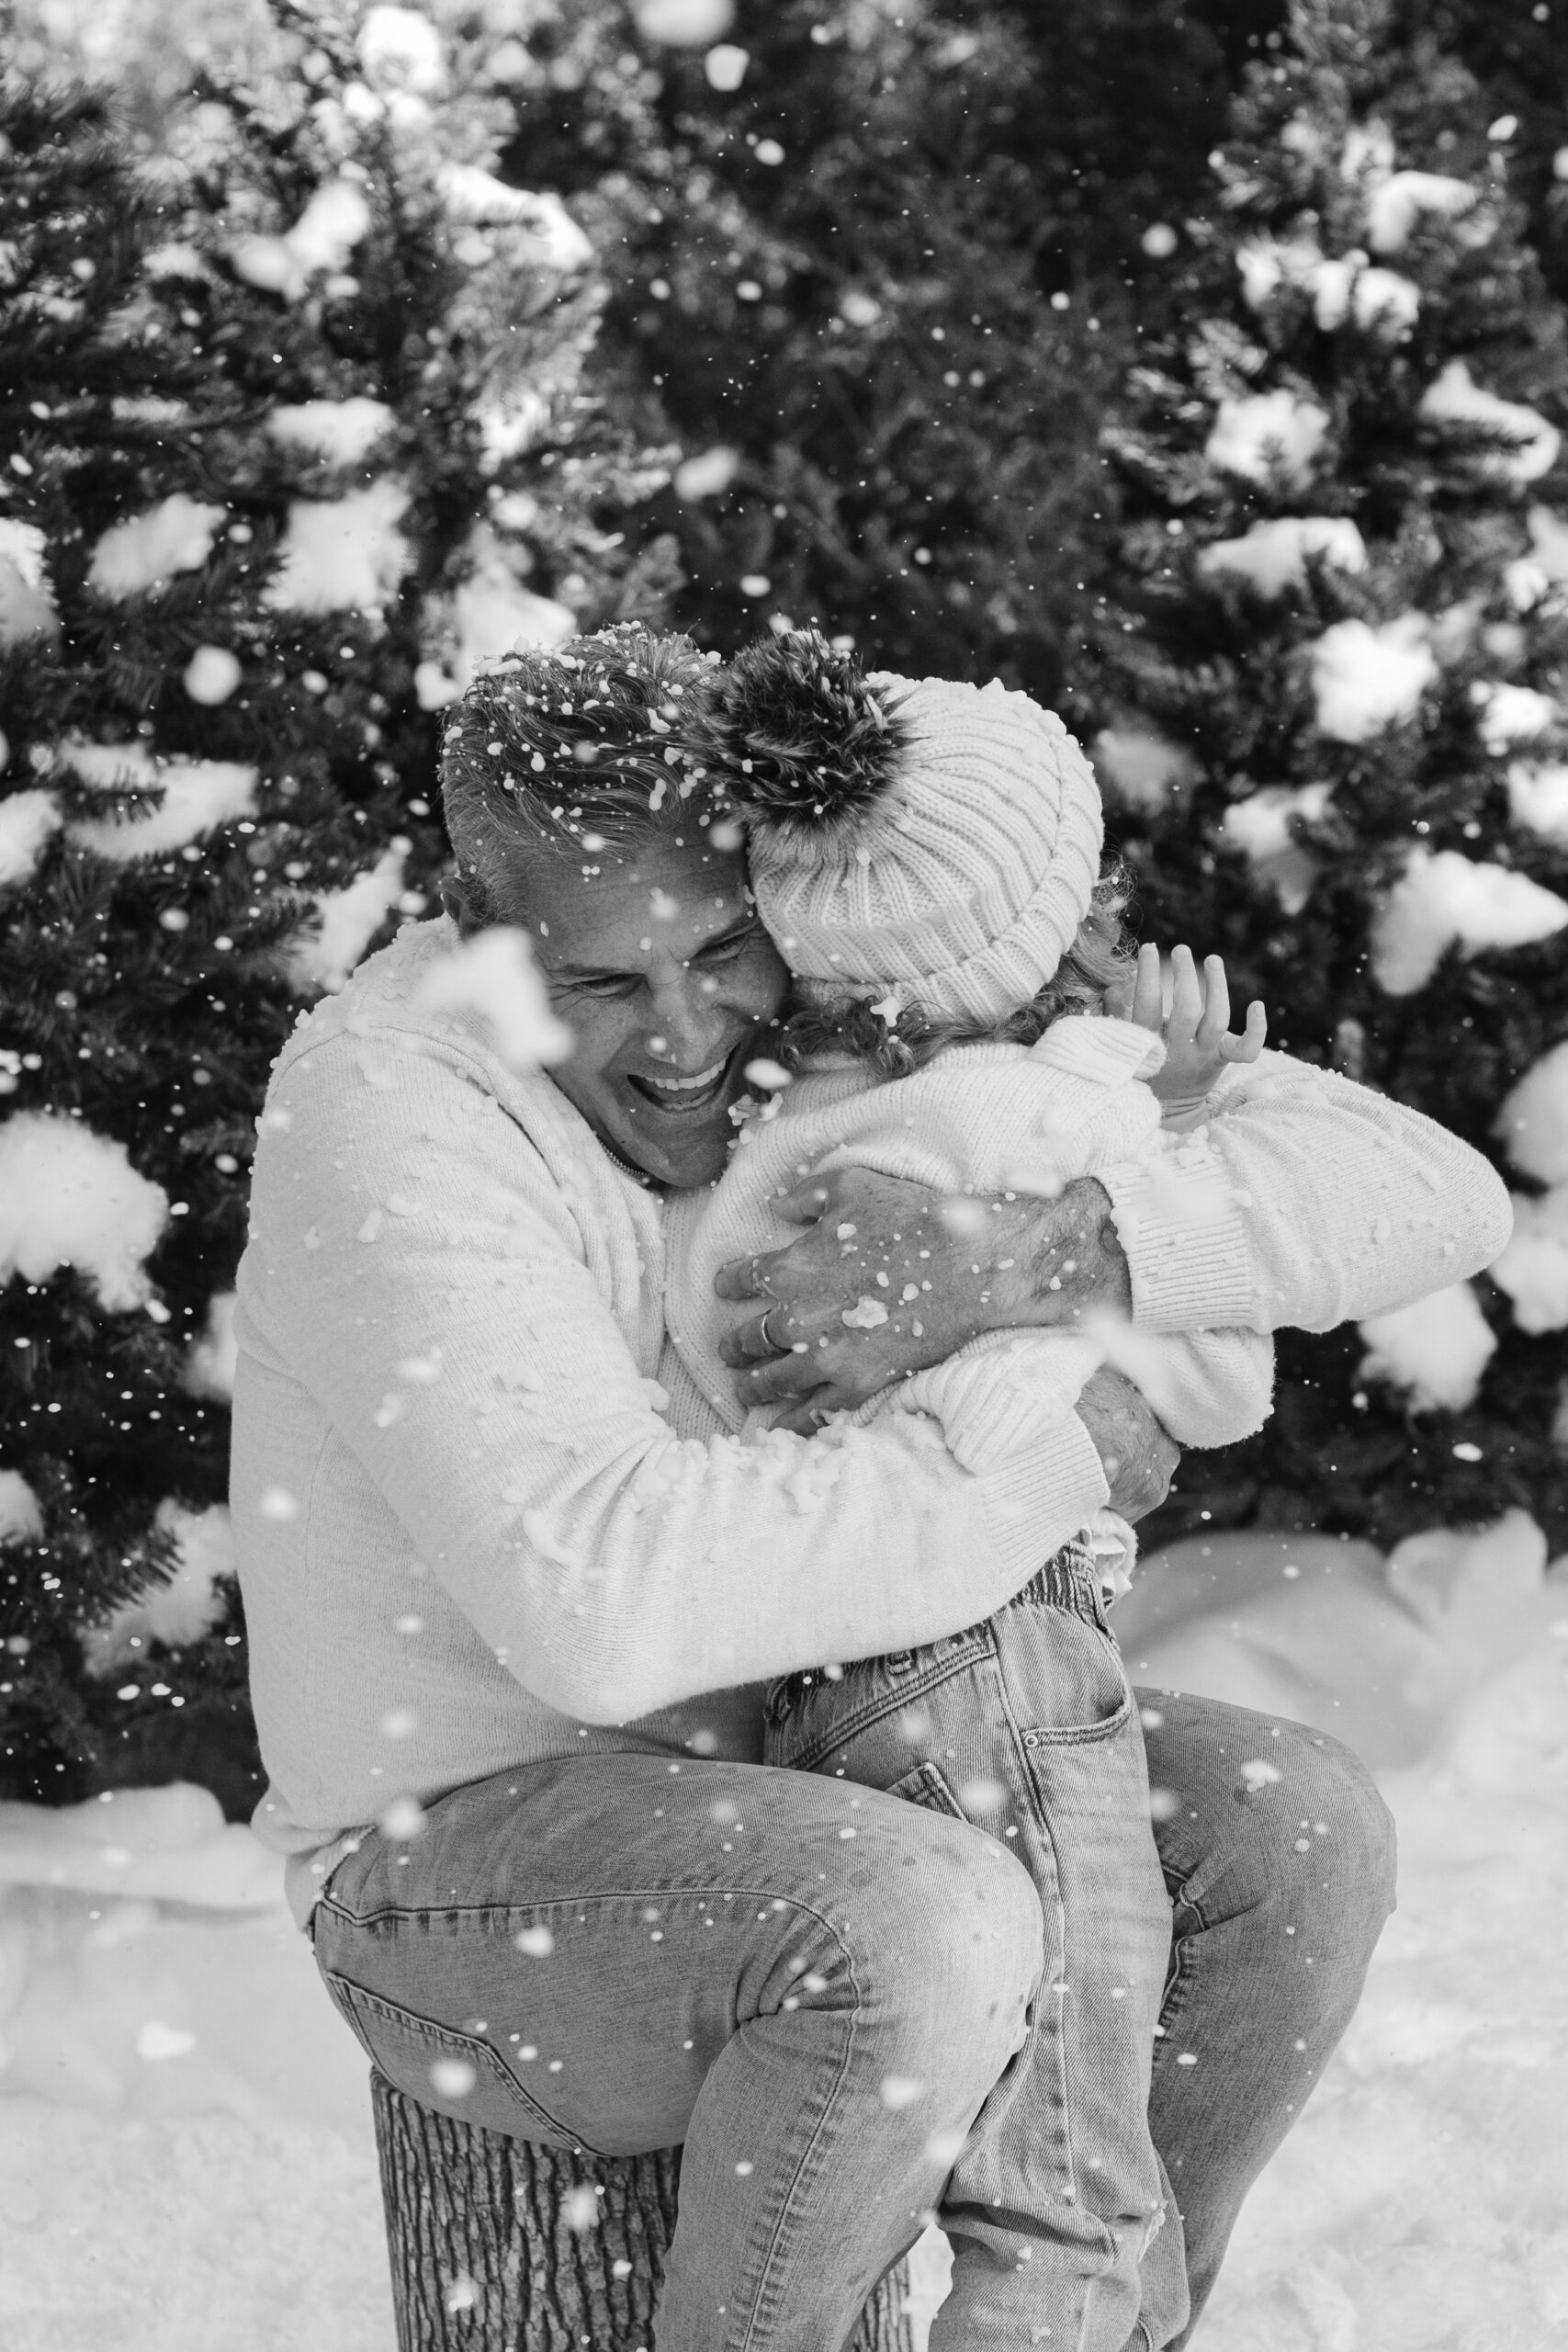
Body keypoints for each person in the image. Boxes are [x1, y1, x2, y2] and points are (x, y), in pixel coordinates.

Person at [231, 627, 1508, 2352]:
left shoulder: (860, 1022)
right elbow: (608, 1610)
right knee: (915, 1918)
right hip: (459, 1858)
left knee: (1287, 1832)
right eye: (603, 982)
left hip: (814, 1753)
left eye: (725, 951)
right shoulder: (391, 1114)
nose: (687, 1034)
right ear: (483, 942)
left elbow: (1428, 1198)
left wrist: (1044, 1258)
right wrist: (1068, 1439)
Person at [660, 628, 1282, 2350]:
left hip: (867, 1678)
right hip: (999, 1663)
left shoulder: (794, 1135)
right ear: (1045, 922)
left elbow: (737, 1372)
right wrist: (1183, 1112)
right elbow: (1227, 1385)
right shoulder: (1034, 1117)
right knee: (1069, 2192)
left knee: (1031, 2148)